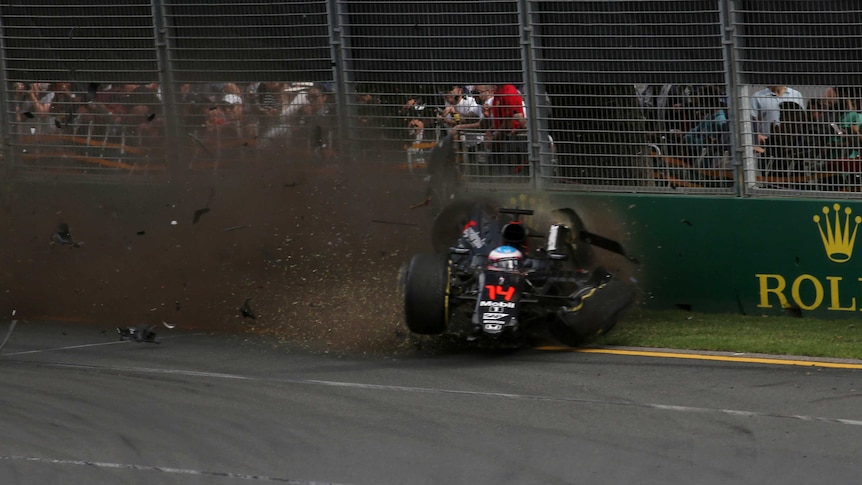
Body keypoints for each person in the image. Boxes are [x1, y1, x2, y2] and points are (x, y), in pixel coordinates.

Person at [750, 85, 805, 153]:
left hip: (791, 145)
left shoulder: (796, 94)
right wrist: (757, 135)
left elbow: (801, 118)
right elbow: (752, 119)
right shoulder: (758, 96)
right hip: (768, 145)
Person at [489, 84, 528, 169]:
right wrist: (490, 131)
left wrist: (496, 137)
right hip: (502, 139)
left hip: (512, 140)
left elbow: (510, 120)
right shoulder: (499, 92)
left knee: (511, 172)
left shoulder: (508, 92)